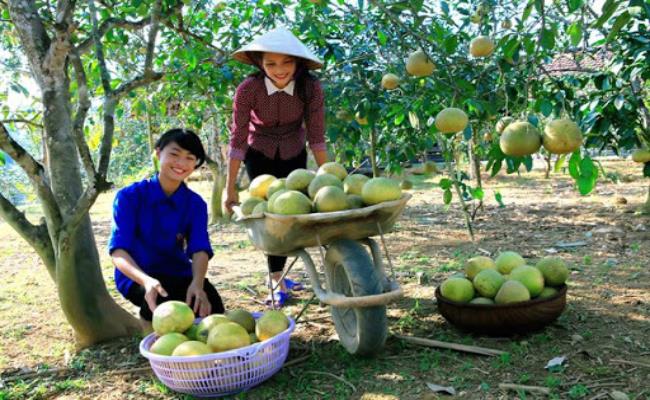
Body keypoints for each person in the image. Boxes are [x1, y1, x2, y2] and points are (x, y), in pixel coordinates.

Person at [223, 27, 328, 307]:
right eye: (271, 63)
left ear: (298, 63)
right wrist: (229, 187)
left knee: (294, 212)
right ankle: (275, 278)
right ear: (260, 63)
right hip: (259, 152)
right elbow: (237, 139)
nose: (279, 70)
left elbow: (317, 136)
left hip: (295, 150)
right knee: (271, 215)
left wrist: (328, 178)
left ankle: (281, 272)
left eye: (287, 62)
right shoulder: (248, 90)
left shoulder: (310, 88)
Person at [109, 128, 224, 329]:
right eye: (174, 154)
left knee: (212, 307)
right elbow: (118, 251)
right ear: (158, 153)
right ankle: (149, 331)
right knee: (163, 306)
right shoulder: (129, 197)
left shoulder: (195, 204)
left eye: (190, 158)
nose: (181, 163)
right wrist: (145, 281)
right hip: (138, 275)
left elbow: (199, 249)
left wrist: (198, 283)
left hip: (178, 273)